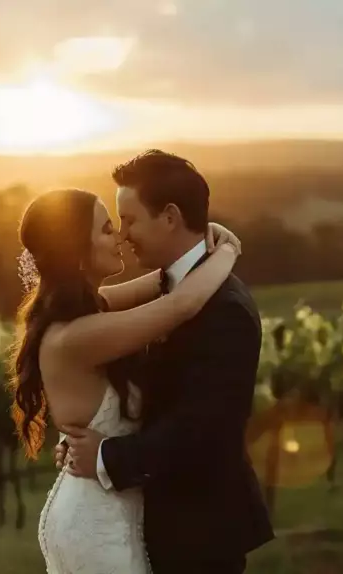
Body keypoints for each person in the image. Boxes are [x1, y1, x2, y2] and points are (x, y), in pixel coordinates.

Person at [50, 150, 274, 573]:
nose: (123, 233)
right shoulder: (169, 291)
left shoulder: (224, 309)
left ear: (170, 217)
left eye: (130, 219)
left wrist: (106, 455)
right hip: (151, 524)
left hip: (199, 532)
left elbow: (204, 429)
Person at [10, 183, 244, 574]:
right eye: (105, 229)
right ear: (76, 251)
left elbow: (161, 283)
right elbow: (181, 304)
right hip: (96, 523)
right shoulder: (80, 335)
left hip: (99, 508)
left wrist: (197, 250)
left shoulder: (86, 312)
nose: (118, 235)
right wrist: (230, 250)